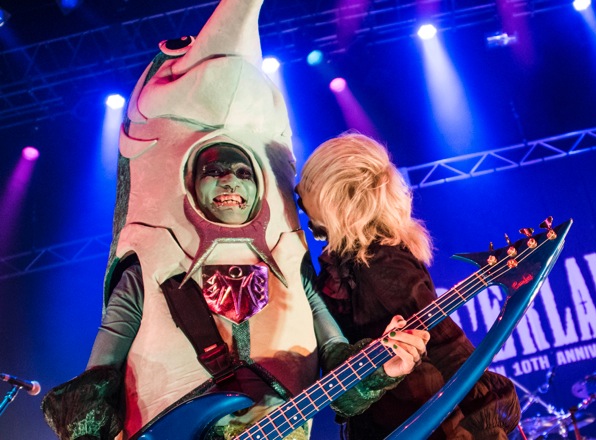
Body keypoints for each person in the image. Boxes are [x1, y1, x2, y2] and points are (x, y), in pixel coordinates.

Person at [40, 2, 428, 438]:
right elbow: (98, 381)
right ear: (189, 179)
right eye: (215, 170)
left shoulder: (292, 270)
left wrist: (383, 368)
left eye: (243, 173)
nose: (230, 181)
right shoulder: (144, 273)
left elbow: (336, 363)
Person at [296, 132, 522, 440]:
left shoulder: (379, 265)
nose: (298, 193)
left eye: (307, 185)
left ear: (333, 198)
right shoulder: (361, 263)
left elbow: (442, 355)